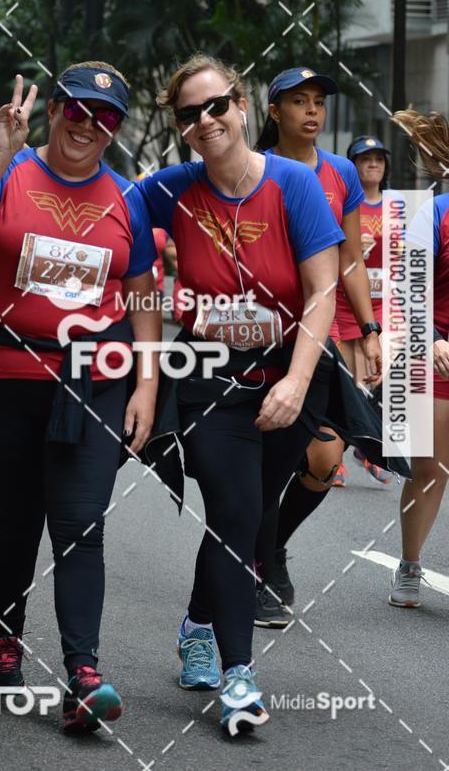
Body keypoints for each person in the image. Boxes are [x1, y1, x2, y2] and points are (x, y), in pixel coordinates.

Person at [0, 65, 160, 733]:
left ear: (116, 130)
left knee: (81, 524)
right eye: (77, 110)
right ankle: (7, 641)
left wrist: (148, 383)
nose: (88, 125)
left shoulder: (127, 197)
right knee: (18, 520)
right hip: (4, 379)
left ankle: (83, 676)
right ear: (55, 109)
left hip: (93, 381)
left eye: (106, 117)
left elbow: (143, 294)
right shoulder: (10, 171)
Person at [138, 53, 343, 734]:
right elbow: (97, 212)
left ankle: (198, 623)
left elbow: (322, 291)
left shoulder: (293, 183)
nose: (206, 120)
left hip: (290, 374)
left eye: (216, 105)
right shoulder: (170, 189)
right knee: (234, 510)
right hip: (209, 378)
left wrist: (297, 381)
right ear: (181, 126)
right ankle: (238, 675)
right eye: (189, 114)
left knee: (250, 515)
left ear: (242, 105)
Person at [252, 67, 383, 626]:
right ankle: (259, 571)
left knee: (326, 459)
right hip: (261, 335)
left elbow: (350, 259)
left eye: (318, 102)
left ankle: (272, 546)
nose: (312, 111)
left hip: (319, 335)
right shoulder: (253, 167)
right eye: (299, 101)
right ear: (274, 111)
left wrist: (371, 330)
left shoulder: (340, 173)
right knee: (264, 465)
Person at [387, 109, 449, 608]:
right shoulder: (432, 213)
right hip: (435, 355)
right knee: (431, 470)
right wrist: (430, 339)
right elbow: (408, 288)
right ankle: (409, 564)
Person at [337, 136, 393, 485]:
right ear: (352, 165)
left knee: (382, 377)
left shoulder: (399, 206)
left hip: (385, 305)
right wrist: (352, 246)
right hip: (345, 304)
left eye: (378, 159)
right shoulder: (344, 204)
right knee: (349, 383)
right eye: (365, 159)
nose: (373, 164)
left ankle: (366, 446)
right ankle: (335, 456)